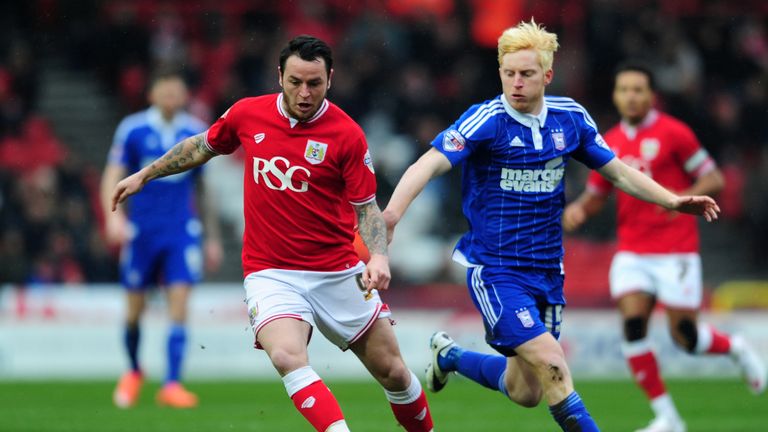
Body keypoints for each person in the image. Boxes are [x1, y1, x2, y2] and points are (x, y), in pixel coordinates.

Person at [383, 20, 720, 432]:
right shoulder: (486, 120)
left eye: (526, 74)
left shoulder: (570, 119)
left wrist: (672, 198)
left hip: (546, 270)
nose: (516, 83)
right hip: (497, 269)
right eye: (509, 73)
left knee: (527, 391)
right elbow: (429, 163)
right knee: (554, 365)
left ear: (547, 75)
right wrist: (392, 214)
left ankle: (449, 356)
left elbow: (617, 172)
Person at [110, 35, 434, 432]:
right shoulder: (249, 114)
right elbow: (200, 146)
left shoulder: (346, 134)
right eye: (295, 81)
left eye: (314, 83)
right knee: (286, 356)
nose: (304, 92)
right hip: (271, 272)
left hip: (335, 270)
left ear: (329, 80)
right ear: (279, 75)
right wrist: (146, 173)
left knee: (394, 373)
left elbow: (366, 208)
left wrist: (379, 256)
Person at [563, 63, 766, 432]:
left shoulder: (674, 133)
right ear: (615, 95)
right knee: (633, 324)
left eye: (638, 89)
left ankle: (735, 347)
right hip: (632, 252)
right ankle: (668, 417)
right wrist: (577, 209)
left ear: (651, 95)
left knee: (685, 337)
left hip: (676, 250)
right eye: (624, 89)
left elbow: (714, 177)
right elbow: (597, 194)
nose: (631, 96)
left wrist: (676, 199)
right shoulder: (608, 141)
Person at [100, 71, 223, 408]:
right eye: (165, 91)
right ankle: (134, 371)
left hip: (181, 231)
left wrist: (211, 236)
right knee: (134, 312)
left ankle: (171, 383)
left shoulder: (194, 131)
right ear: (152, 94)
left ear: (184, 95)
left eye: (177, 91)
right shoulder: (133, 129)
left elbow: (204, 188)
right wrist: (114, 219)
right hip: (141, 232)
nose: (171, 97)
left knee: (179, 305)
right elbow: (112, 173)